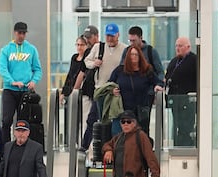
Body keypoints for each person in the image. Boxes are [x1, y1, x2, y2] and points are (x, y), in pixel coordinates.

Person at [81, 23, 127, 152]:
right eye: (108, 35)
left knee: (115, 120)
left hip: (116, 92)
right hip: (100, 90)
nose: (110, 38)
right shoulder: (98, 47)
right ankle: (85, 145)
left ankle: (115, 148)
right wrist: (94, 63)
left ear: (118, 35)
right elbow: (87, 62)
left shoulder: (125, 49)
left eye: (112, 36)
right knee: (93, 118)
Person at [0, 21, 42, 143]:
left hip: (25, 91)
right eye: (19, 33)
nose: (21, 35)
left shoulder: (31, 49)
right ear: (15, 33)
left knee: (23, 122)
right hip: (10, 90)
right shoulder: (6, 50)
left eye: (23, 33)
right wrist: (12, 81)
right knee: (6, 120)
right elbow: (3, 69)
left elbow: (37, 69)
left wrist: (33, 81)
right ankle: (5, 148)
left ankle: (23, 146)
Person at [102, 110, 162, 177]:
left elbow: (150, 156)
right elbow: (107, 144)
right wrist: (108, 150)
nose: (125, 124)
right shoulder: (118, 137)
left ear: (134, 123)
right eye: (123, 122)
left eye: (128, 121)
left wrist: (155, 176)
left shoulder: (141, 136)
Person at [108, 45, 164, 135]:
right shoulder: (119, 70)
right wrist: (112, 90)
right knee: (118, 136)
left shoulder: (147, 70)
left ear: (140, 56)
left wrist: (157, 86)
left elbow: (158, 81)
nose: (133, 57)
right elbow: (109, 85)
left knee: (140, 137)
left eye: (136, 55)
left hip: (140, 111)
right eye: (131, 55)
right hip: (122, 110)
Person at [165, 36, 197, 147]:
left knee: (186, 127)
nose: (177, 48)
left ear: (188, 47)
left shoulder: (194, 60)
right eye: (176, 46)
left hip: (187, 101)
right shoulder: (174, 61)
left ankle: (186, 147)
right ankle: (178, 146)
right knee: (177, 126)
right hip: (175, 100)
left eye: (180, 46)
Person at [60, 36, 88, 104]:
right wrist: (63, 92)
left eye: (82, 45)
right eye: (78, 45)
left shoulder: (87, 59)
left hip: (81, 90)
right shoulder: (74, 57)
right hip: (70, 89)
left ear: (86, 46)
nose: (79, 47)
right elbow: (70, 75)